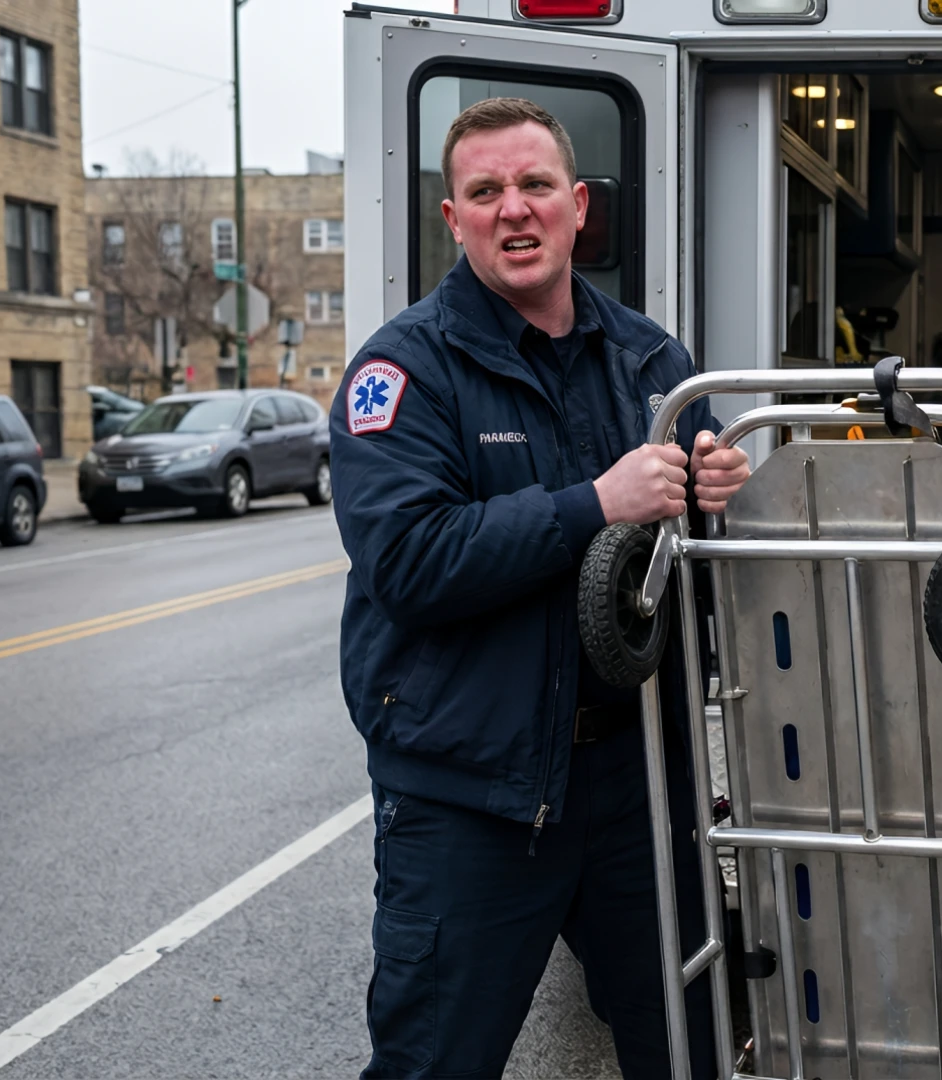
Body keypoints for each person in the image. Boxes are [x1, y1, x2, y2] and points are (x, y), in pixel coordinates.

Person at [329, 97, 749, 1080]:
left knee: (689, 1045)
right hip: (475, 797)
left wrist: (714, 501)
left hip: (638, 785)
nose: (512, 210)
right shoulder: (404, 370)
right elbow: (409, 564)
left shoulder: (652, 360)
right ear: (452, 217)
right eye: (484, 192)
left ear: (577, 204)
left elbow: (679, 569)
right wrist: (595, 502)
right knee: (435, 1063)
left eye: (533, 186)